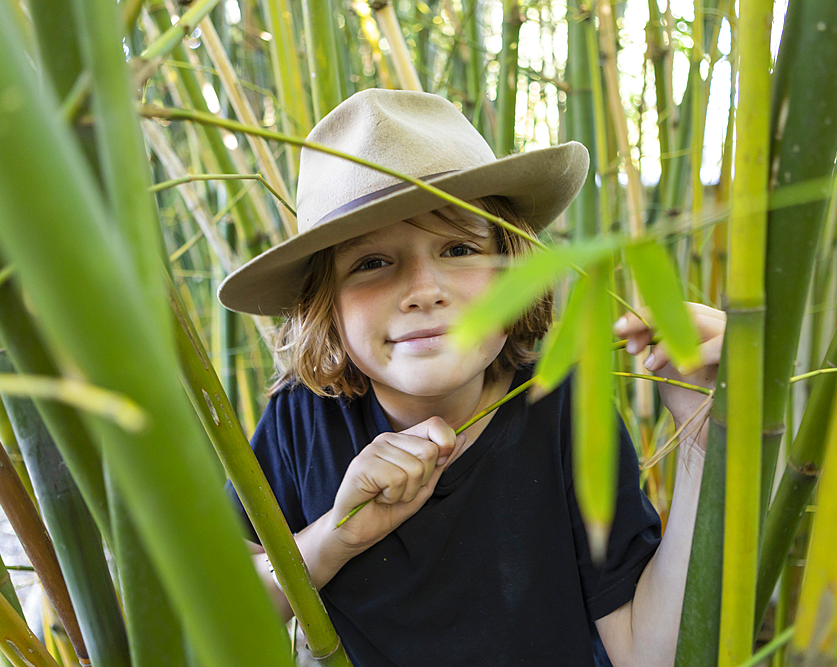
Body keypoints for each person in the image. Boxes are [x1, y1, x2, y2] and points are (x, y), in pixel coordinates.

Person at [218, 88, 724, 666]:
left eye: (459, 248)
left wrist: (703, 441)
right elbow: (219, 612)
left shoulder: (561, 405)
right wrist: (338, 534)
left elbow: (648, 654)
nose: (424, 290)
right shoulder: (302, 418)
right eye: (372, 263)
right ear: (324, 308)